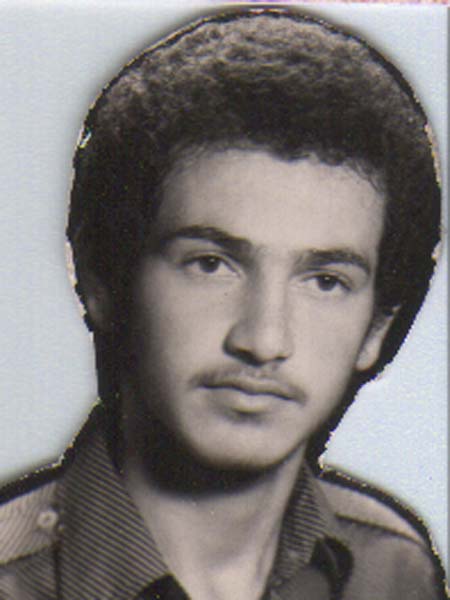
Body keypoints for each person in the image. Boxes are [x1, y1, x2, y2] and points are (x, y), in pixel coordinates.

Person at [0, 7, 446, 599]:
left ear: (375, 330)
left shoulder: (393, 572)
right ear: (103, 280)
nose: (264, 340)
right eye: (210, 264)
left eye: (325, 281)